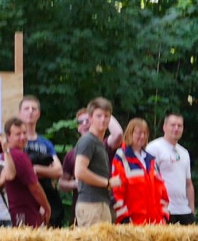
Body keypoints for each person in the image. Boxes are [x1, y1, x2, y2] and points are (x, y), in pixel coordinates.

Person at [72, 97, 121, 227]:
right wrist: (107, 183)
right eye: (98, 116)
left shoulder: (98, 143)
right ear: (90, 118)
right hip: (91, 205)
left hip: (99, 203)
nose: (103, 120)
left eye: (106, 116)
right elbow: (80, 171)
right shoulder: (88, 141)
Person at [111, 118, 169, 225]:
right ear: (130, 134)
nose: (142, 136)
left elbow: (162, 190)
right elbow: (116, 192)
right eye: (138, 133)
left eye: (145, 133)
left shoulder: (151, 160)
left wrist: (164, 216)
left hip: (156, 224)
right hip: (133, 224)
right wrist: (124, 219)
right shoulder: (121, 158)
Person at [19, 95, 64, 227]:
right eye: (26, 108)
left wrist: (36, 169)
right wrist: (46, 171)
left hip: (46, 196)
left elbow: (58, 170)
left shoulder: (46, 143)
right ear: (19, 113)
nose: (30, 111)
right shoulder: (13, 141)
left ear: (38, 114)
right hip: (23, 198)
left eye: (34, 109)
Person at [146, 113, 196, 225]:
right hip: (165, 210)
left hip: (184, 210)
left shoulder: (184, 152)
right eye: (172, 125)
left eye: (180, 125)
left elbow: (188, 183)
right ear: (164, 127)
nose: (176, 128)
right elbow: (148, 180)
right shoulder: (154, 148)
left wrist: (192, 208)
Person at [1, 117, 50, 228]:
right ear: (8, 137)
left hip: (16, 210)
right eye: (18, 134)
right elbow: (34, 187)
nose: (23, 137)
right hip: (23, 211)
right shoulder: (19, 156)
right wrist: (46, 206)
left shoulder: (7, 155)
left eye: (24, 133)